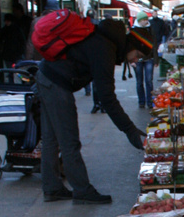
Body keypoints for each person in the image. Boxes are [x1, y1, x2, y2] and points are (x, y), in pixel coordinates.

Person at [35, 17, 149, 204]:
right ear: (131, 45)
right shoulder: (105, 48)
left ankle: (52, 188)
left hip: (46, 76)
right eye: (138, 54)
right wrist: (130, 130)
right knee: (68, 140)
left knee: (51, 138)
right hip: (56, 84)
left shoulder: (103, 39)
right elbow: (107, 98)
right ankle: (82, 190)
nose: (136, 60)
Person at [132, 13, 155, 108]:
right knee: (139, 81)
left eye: (146, 19)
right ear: (139, 20)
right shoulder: (133, 31)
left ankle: (150, 101)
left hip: (149, 58)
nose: (146, 21)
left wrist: (156, 59)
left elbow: (154, 44)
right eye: (144, 19)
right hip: (137, 60)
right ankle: (141, 101)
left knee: (149, 81)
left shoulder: (150, 29)